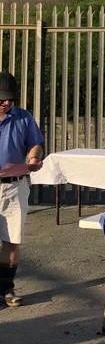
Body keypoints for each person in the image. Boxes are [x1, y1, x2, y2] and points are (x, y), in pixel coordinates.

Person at [0, 72, 44, 308]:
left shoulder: (23, 118)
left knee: (12, 240)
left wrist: (34, 156)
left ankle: (6, 289)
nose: (6, 102)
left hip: (15, 186)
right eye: (2, 99)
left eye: (10, 98)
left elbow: (35, 143)